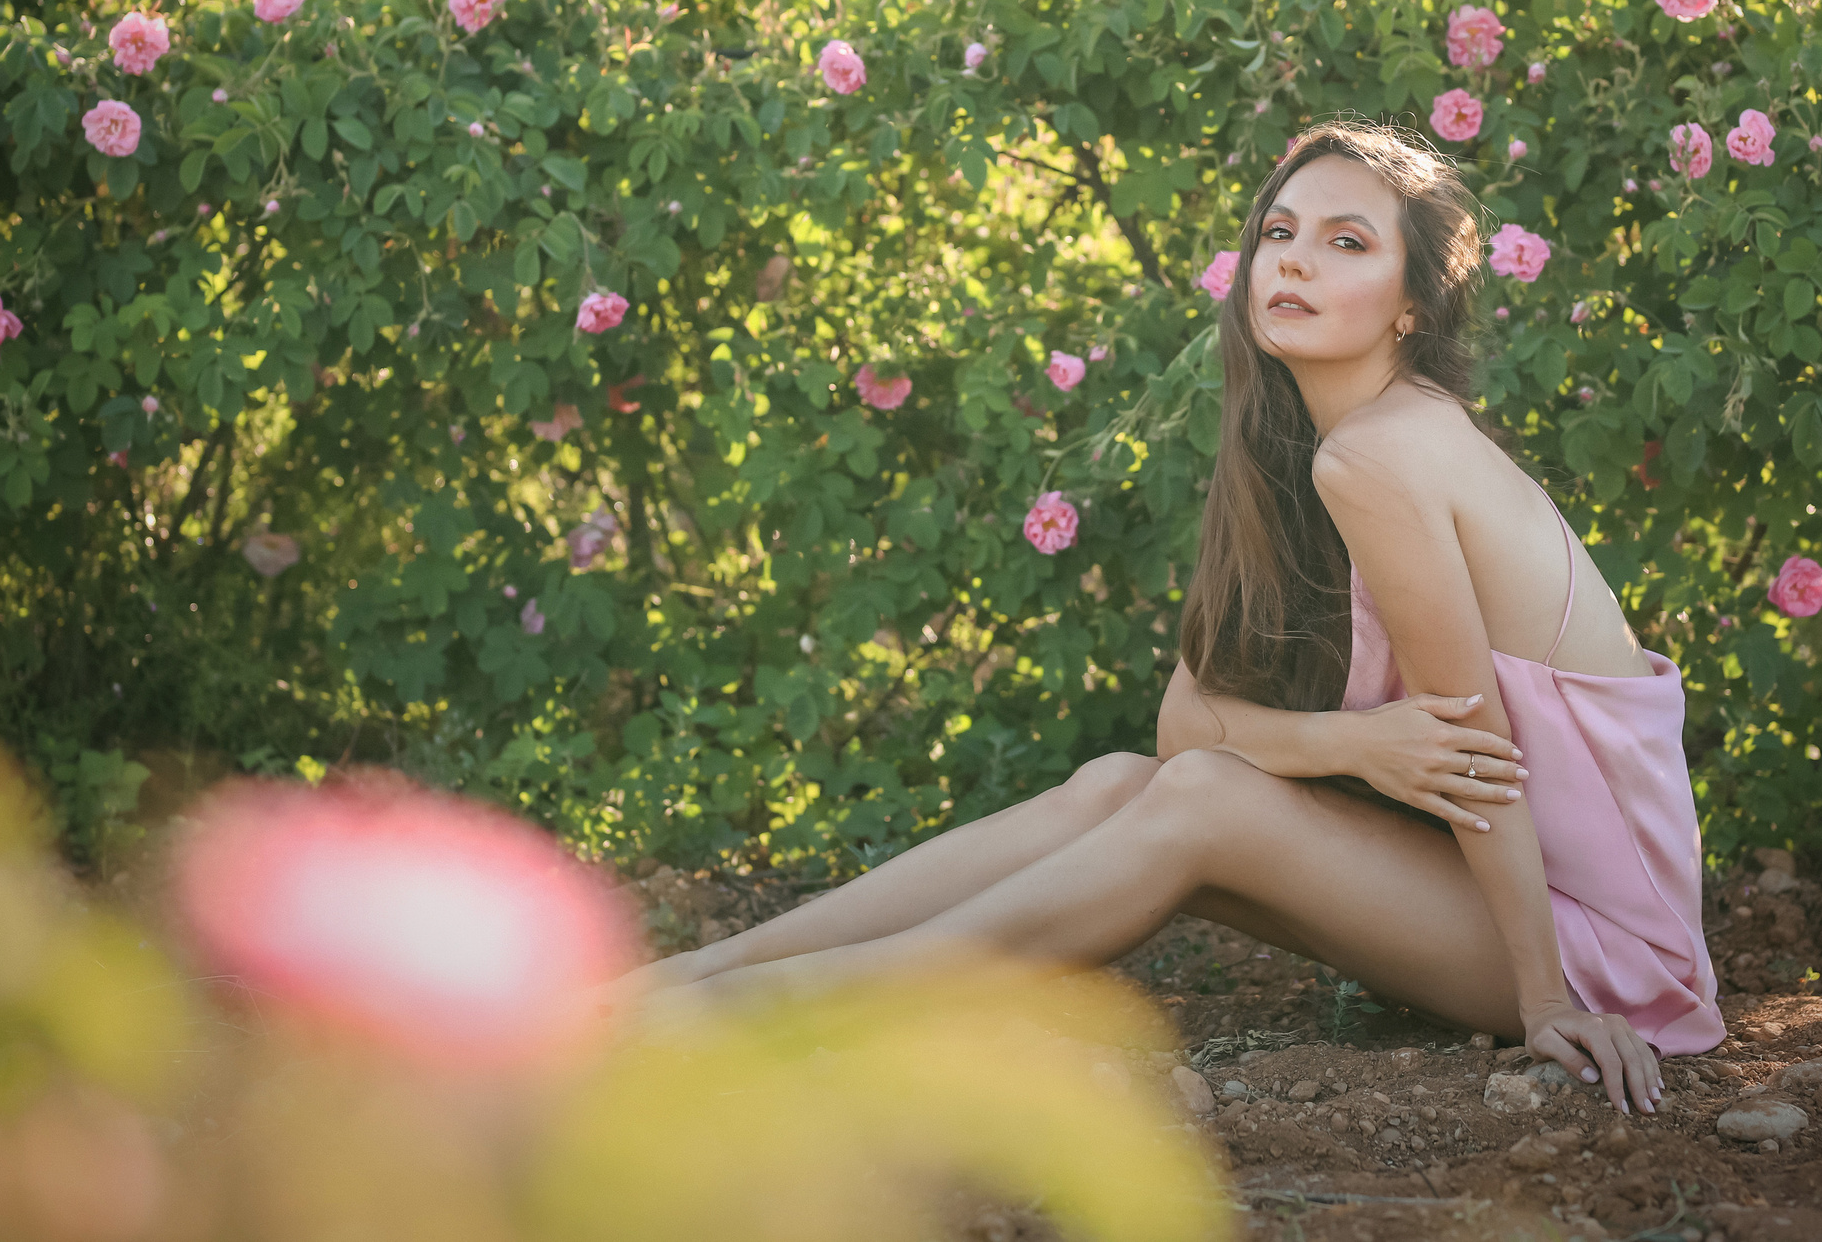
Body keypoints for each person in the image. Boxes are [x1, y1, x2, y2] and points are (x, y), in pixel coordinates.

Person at [618, 120, 1722, 1114]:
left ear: (1413, 304)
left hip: (1598, 954)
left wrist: (1543, 1006)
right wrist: (1350, 743)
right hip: (1496, 897)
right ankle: (676, 987)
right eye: (1280, 231)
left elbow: (1472, 759)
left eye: (1347, 242)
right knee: (1120, 785)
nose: (1292, 257)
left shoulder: (1386, 453)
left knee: (1200, 803)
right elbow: (1185, 726)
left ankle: (751, 1015)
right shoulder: (1306, 452)